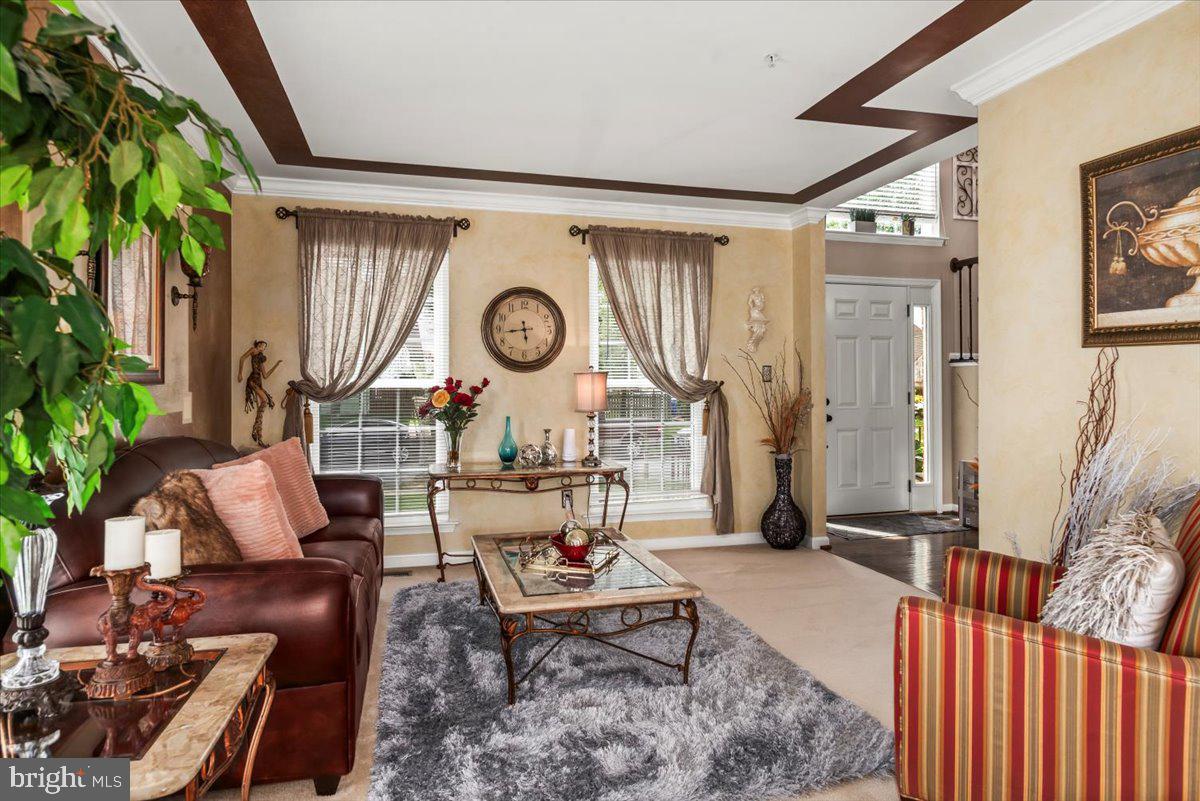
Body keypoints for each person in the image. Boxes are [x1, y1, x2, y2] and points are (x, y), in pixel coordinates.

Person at [237, 340, 283, 447]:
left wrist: (276, 365)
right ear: (259, 345)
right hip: (253, 380)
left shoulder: (261, 358)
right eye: (263, 345)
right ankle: (256, 430)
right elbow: (242, 358)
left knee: (264, 402)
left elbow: (265, 375)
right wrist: (240, 373)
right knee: (265, 401)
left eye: (265, 347)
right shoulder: (253, 350)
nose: (264, 348)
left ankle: (258, 434)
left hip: (259, 381)